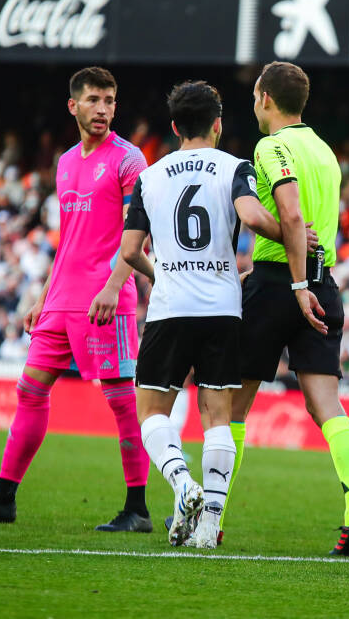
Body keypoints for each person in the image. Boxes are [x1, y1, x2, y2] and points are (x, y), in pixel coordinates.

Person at [0, 67, 152, 532]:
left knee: (121, 401)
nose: (103, 108)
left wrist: (115, 286)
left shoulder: (129, 160)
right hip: (61, 300)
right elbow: (69, 240)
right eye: (94, 100)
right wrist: (43, 295)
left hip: (104, 299)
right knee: (30, 390)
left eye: (110, 100)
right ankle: (3, 497)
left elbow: (137, 234)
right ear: (73, 106)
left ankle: (137, 508)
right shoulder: (65, 162)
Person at [120, 80, 302, 548]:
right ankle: (208, 526)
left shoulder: (151, 175)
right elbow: (255, 217)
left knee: (152, 414)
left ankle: (183, 485)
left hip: (170, 308)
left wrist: (163, 273)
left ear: (175, 126)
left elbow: (129, 250)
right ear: (218, 124)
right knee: (218, 416)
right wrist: (292, 236)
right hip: (223, 307)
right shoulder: (235, 166)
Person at [225, 61, 349, 556]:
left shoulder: (271, 147)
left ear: (265, 97)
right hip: (323, 282)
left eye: (253, 95)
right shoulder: (326, 152)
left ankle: (214, 514)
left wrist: (291, 283)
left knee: (234, 405)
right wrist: (308, 281)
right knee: (326, 405)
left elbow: (290, 214)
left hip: (277, 284)